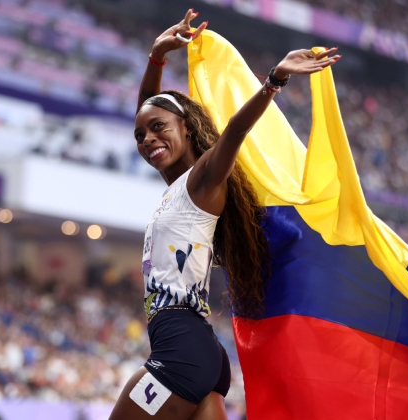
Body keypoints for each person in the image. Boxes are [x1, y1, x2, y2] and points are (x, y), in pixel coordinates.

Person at [108, 9, 341, 420]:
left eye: (159, 128)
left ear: (186, 127)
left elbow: (233, 130)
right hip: (200, 354)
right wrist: (157, 56)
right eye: (140, 135)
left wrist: (274, 80)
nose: (148, 140)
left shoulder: (204, 181)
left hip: (181, 353)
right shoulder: (179, 185)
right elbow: (150, 111)